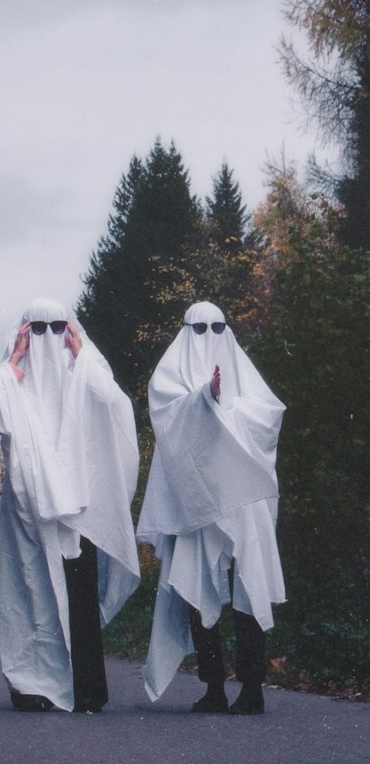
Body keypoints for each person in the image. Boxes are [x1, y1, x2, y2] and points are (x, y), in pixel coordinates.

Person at [0, 297, 140, 714]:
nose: (49, 338)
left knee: (79, 595)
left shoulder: (82, 370)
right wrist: (13, 360)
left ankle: (86, 688)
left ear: (70, 330)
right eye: (39, 329)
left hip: (77, 506)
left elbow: (115, 404)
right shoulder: (12, 377)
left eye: (57, 327)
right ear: (25, 334)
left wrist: (82, 357)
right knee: (31, 589)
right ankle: (32, 684)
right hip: (28, 506)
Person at [137, 300, 285, 715]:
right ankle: (214, 686)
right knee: (198, 590)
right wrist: (204, 398)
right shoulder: (170, 379)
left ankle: (252, 686)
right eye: (199, 330)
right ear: (186, 331)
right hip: (196, 504)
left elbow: (267, 418)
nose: (209, 338)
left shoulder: (245, 379)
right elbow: (168, 417)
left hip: (242, 504)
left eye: (218, 328)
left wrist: (222, 406)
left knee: (248, 586)